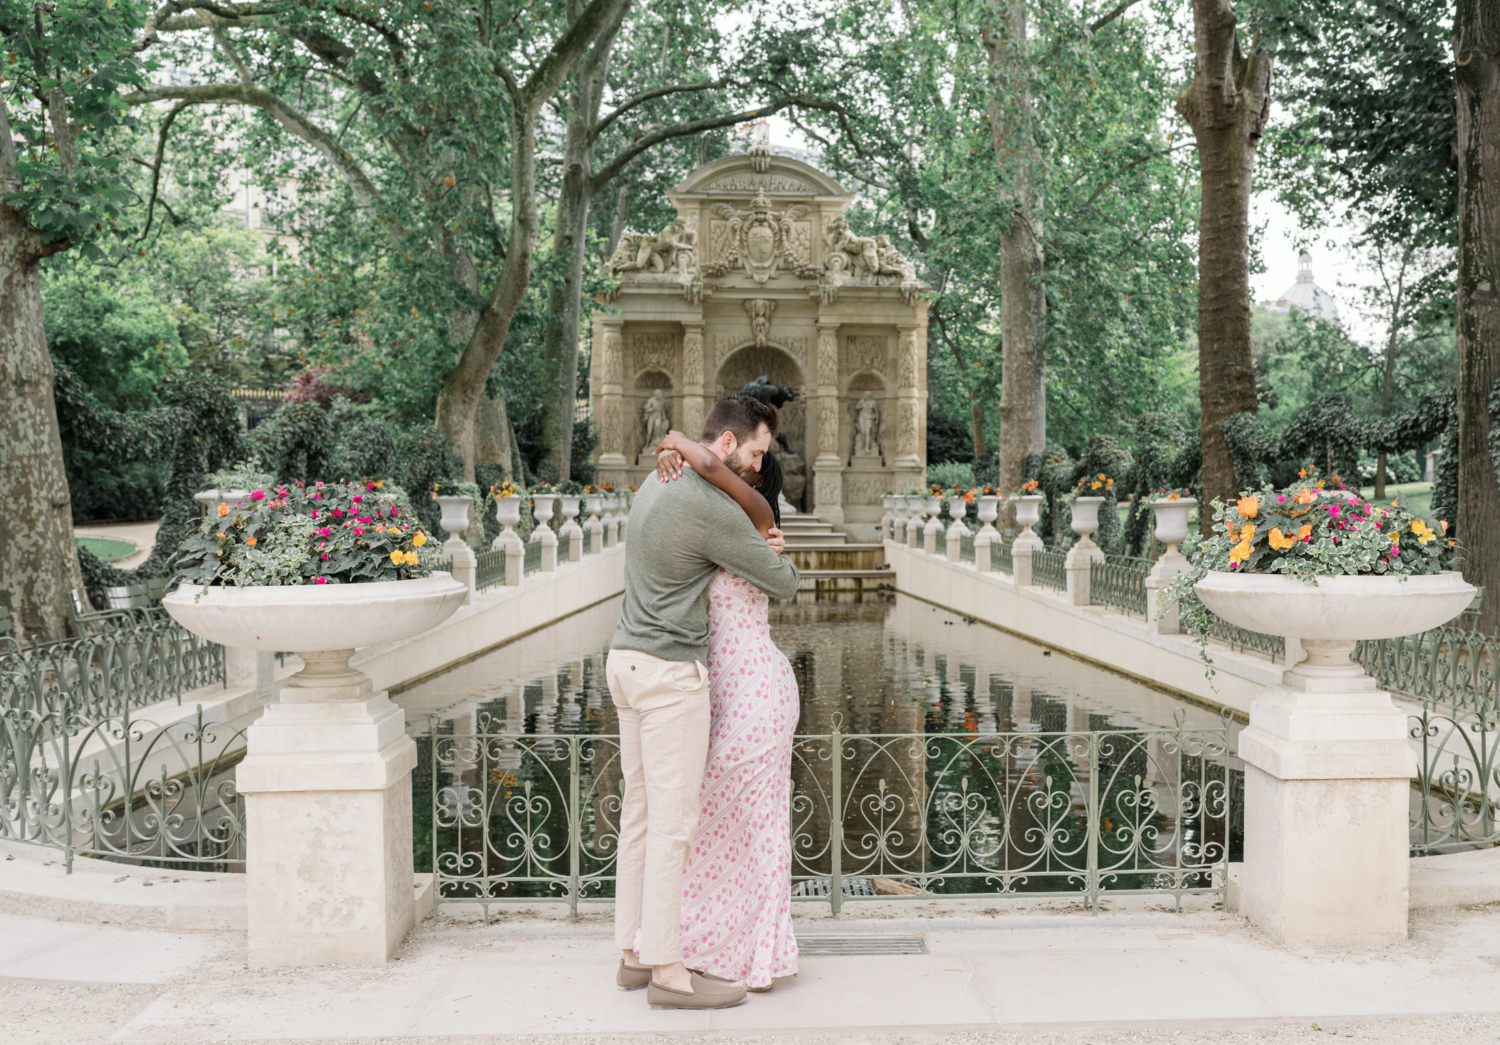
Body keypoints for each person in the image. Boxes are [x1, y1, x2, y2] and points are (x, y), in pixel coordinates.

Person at [608, 394, 800, 1011]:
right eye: (753, 453)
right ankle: (668, 972)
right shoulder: (709, 506)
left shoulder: (652, 484)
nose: (755, 465)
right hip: (669, 673)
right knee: (674, 826)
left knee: (639, 817)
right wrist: (774, 550)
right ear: (725, 444)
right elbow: (783, 581)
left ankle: (634, 953)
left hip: (624, 661)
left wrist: (677, 444)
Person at [652, 436, 801, 992]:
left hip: (756, 692)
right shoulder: (717, 529)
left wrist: (673, 441)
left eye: (759, 468)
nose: (749, 475)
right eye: (753, 458)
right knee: (721, 823)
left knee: (748, 825)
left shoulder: (758, 520)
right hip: (724, 689)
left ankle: (749, 953)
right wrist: (667, 456)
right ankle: (703, 943)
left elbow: (715, 467)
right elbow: (710, 472)